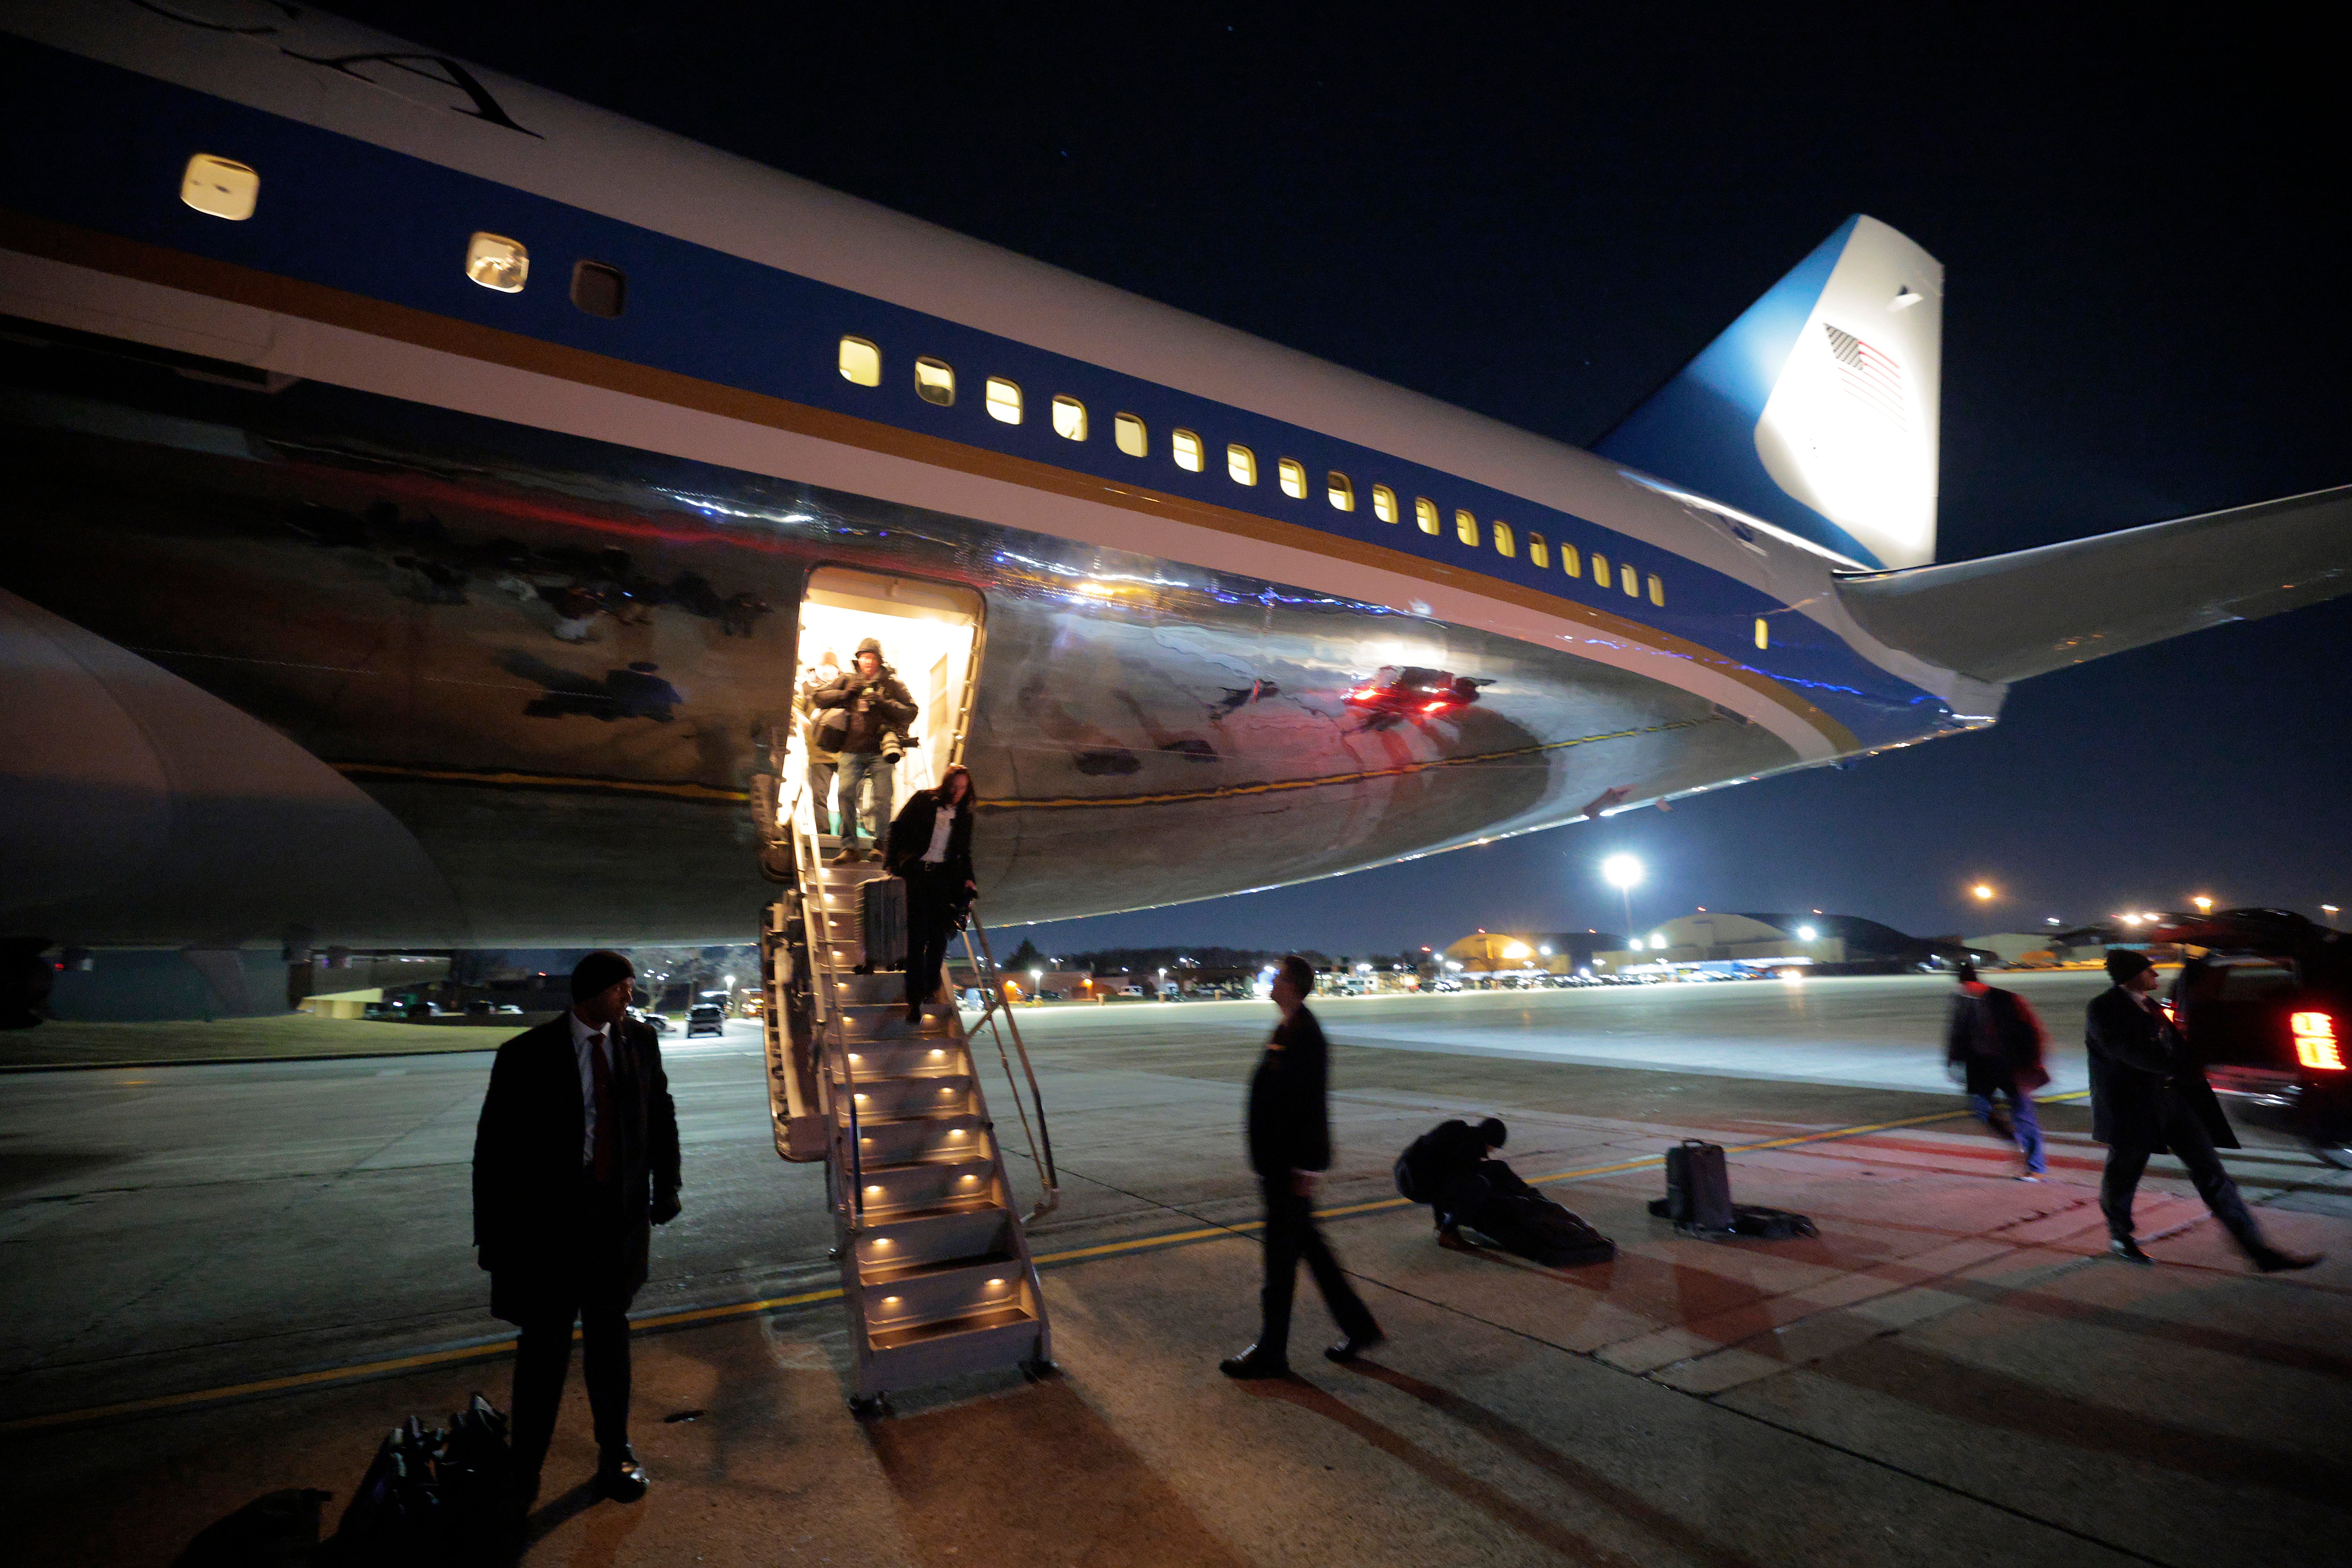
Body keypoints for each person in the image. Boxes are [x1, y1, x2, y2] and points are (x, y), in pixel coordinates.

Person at [473, 951, 682, 1536]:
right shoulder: (526, 1056)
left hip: (616, 1227)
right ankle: (525, 1470)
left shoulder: (639, 1043)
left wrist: (666, 1186)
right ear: (591, 992)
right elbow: (494, 1152)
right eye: (622, 988)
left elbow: (660, 1115)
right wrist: (492, 1238)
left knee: (610, 1349)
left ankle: (614, 1454)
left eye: (631, 989)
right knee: (542, 1353)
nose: (630, 998)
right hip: (549, 1232)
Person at [2087, 948, 2318, 1271]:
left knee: (2212, 1174)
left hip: (2173, 1104)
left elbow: (2174, 1044)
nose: (2155, 976)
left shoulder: (2150, 1005)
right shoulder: (2102, 1008)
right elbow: (2126, 1052)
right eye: (2148, 970)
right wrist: (2177, 1068)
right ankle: (2120, 1237)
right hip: (2133, 1108)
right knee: (2124, 1175)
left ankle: (2257, 1250)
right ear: (2132, 974)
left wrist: (2200, 1063)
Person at [1221, 955, 1383, 1379]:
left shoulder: (1308, 1035)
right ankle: (1359, 1327)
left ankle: (1272, 1352)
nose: (1271, 982)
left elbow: (1312, 1105)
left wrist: (1310, 1168)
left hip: (1291, 1170)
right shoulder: (1288, 1027)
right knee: (1312, 1251)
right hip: (1280, 1165)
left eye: (1276, 977)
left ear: (1291, 984)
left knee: (1279, 1265)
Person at [809, 637, 917, 864]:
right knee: (845, 793)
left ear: (879, 661)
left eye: (872, 657)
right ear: (858, 660)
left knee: (883, 798)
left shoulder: (892, 684)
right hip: (852, 750)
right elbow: (819, 698)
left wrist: (884, 702)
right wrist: (846, 693)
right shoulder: (848, 680)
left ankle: (881, 846)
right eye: (864, 657)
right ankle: (850, 848)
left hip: (882, 751)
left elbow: (911, 712)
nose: (868, 661)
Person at [886, 763, 977, 1024]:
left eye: (964, 788)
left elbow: (963, 853)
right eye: (955, 787)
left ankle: (930, 986)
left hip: (942, 879)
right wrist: (892, 863)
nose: (959, 792)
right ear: (946, 784)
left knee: (939, 939)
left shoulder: (964, 816)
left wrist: (969, 879)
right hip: (917, 875)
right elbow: (898, 826)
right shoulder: (924, 800)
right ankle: (914, 1000)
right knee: (916, 940)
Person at [1944, 961, 2051, 1180]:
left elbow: (2032, 1031)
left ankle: (2035, 1168)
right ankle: (2017, 1142)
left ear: (1974, 982)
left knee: (2023, 1115)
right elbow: (1957, 1034)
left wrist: (2035, 1062)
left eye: (1968, 986)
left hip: (2010, 1066)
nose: (1966, 991)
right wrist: (1953, 1060)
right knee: (1981, 1110)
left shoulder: (2006, 999)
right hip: (1980, 1067)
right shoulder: (1963, 1002)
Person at [1397, 1116, 1511, 1245]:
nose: (1493, 1150)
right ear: (1490, 1142)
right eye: (1494, 1147)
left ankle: (1442, 1226)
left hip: (1403, 1175)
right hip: (1416, 1185)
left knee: (1449, 1180)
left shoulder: (1457, 1128)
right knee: (1479, 1186)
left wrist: (1439, 1220)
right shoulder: (1470, 1149)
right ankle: (1447, 1233)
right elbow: (1449, 1182)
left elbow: (1439, 1170)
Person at [798, 651, 842, 835]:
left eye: (832, 668)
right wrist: (800, 716)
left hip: (844, 752)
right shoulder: (807, 689)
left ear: (838, 671)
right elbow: (795, 706)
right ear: (816, 668)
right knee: (819, 794)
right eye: (824, 667)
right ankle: (823, 834)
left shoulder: (845, 690)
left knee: (848, 795)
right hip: (818, 753)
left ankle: (846, 835)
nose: (828, 671)